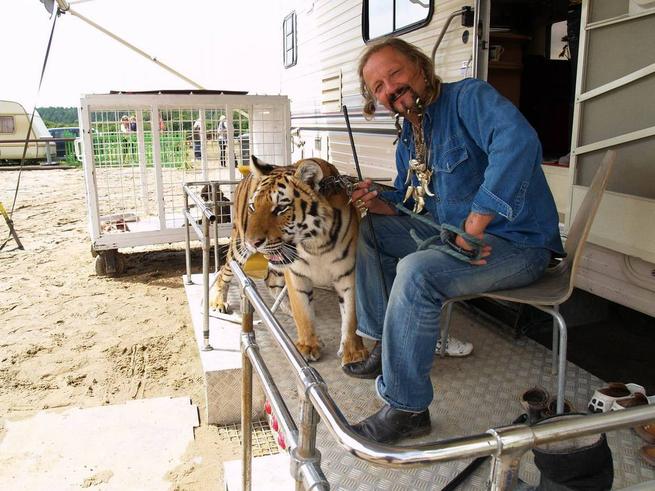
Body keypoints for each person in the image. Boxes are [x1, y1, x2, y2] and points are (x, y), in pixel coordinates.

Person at [342, 37, 564, 444]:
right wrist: (379, 202)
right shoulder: (409, 137)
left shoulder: (468, 98)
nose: (390, 88)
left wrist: (476, 223)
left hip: (518, 243)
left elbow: (518, 141)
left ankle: (408, 409)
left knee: (417, 272)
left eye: (395, 73)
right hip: (452, 237)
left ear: (420, 67)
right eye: (378, 87)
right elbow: (416, 204)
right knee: (368, 232)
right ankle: (384, 346)